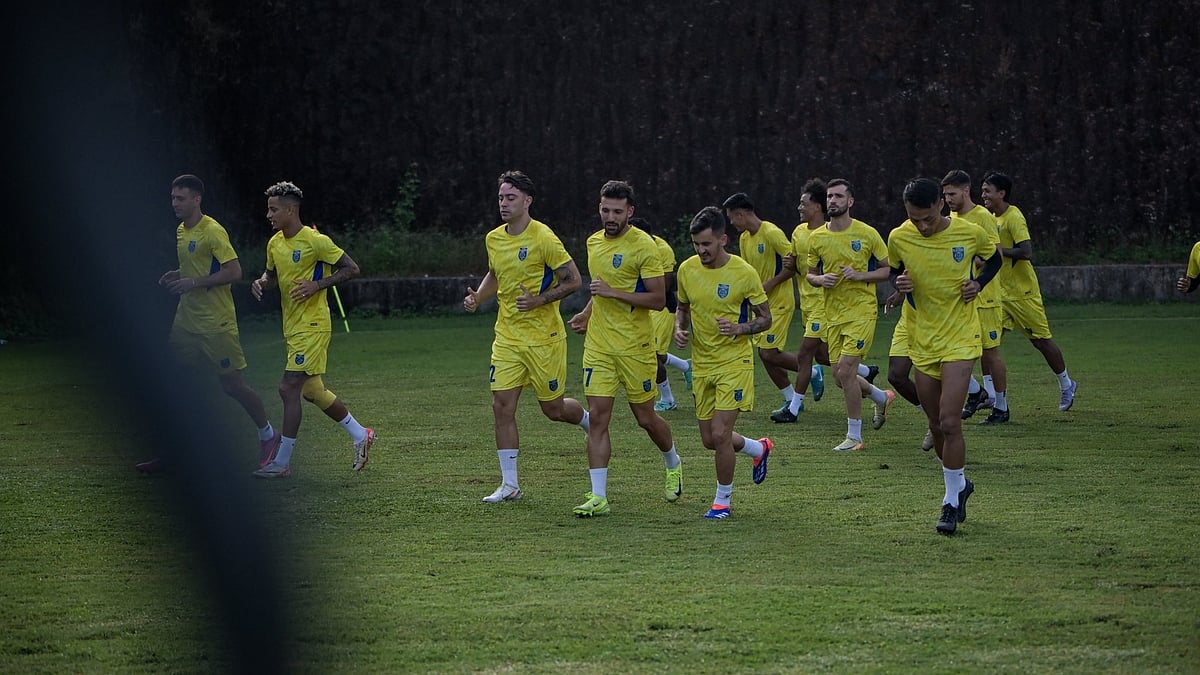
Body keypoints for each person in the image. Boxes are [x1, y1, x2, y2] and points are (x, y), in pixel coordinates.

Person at [136, 174, 280, 473]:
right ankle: (173, 453)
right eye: (173, 198)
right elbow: (198, 265)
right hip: (186, 321)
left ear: (197, 199)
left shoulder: (213, 231)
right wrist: (179, 274)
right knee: (174, 385)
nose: (174, 203)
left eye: (180, 198)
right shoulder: (181, 230)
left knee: (232, 386)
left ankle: (268, 435)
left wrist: (193, 282)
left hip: (216, 323)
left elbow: (234, 271)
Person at [464, 170, 590, 503]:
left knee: (553, 409)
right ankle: (510, 484)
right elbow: (495, 273)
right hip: (507, 338)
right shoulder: (494, 238)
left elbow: (574, 281)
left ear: (527, 201)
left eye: (511, 198)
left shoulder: (544, 238)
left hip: (544, 339)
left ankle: (588, 422)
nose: (503, 203)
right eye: (501, 197)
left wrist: (539, 301)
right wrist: (478, 297)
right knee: (501, 406)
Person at [888, 178, 1002, 534]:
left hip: (960, 338)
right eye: (914, 219)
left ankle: (950, 501)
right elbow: (894, 269)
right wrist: (899, 283)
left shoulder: (969, 233)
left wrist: (978, 283)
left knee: (951, 422)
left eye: (928, 218)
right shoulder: (899, 237)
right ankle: (960, 484)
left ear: (941, 204)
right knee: (936, 424)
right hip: (923, 340)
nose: (922, 226)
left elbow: (995, 259)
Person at [567, 181, 680, 517]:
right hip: (599, 346)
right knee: (598, 418)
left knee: (645, 418)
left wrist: (613, 292)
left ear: (630, 211)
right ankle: (598, 496)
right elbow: (599, 289)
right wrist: (587, 313)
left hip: (635, 347)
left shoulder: (645, 246)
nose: (610, 217)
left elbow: (658, 299)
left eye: (617, 211)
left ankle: (673, 462)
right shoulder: (593, 243)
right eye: (605, 210)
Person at [250, 181, 375, 478]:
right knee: (313, 391)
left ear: (291, 210)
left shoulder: (316, 241)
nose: (268, 215)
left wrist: (317, 285)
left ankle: (281, 462)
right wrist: (262, 282)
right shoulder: (274, 243)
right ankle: (361, 434)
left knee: (288, 387)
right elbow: (271, 274)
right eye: (268, 209)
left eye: (273, 209)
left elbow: (352, 268)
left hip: (314, 325)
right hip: (292, 327)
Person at [675, 206, 774, 519]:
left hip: (734, 362)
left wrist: (739, 329)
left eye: (706, 244)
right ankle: (758, 448)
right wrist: (680, 328)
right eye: (696, 244)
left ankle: (722, 502)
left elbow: (766, 318)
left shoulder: (744, 273)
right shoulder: (686, 270)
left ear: (722, 240)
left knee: (720, 434)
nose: (701, 250)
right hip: (702, 363)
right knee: (709, 440)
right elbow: (682, 307)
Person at [805, 179, 895, 452]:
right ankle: (880, 397)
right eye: (829, 196)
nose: (832, 201)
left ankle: (854, 436)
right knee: (839, 377)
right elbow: (809, 274)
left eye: (838, 196)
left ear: (850, 201)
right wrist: (820, 280)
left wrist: (860, 275)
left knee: (845, 371)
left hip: (862, 312)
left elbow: (887, 270)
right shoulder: (817, 237)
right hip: (833, 314)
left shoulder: (867, 234)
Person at [982, 172, 1078, 415]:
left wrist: (997, 252)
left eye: (987, 191)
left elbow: (1026, 251)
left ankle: (1067, 384)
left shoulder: (1013, 216)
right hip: (999, 293)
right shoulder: (988, 218)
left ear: (1001, 193)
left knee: (1041, 341)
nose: (983, 195)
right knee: (987, 343)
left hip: (1022, 293)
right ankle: (991, 395)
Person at [722, 192, 799, 415]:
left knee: (768, 353)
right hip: (761, 305)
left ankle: (811, 373)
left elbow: (793, 265)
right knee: (765, 355)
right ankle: (791, 398)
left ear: (741, 214)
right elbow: (748, 273)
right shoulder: (745, 239)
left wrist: (770, 284)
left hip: (780, 302)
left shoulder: (772, 232)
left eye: (732, 217)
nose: (731, 223)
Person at [942, 170, 1008, 424]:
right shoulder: (951, 219)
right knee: (953, 349)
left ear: (966, 191)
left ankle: (1001, 406)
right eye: (945, 194)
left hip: (986, 297)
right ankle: (978, 393)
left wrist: (970, 266)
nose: (948, 199)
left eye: (952, 194)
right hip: (962, 299)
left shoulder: (982, 217)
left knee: (990, 353)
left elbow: (995, 256)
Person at [630, 216, 692, 412]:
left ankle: (668, 399)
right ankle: (686, 367)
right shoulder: (629, 247)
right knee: (651, 351)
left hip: (662, 308)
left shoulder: (662, 250)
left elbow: (663, 287)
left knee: (652, 355)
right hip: (643, 308)